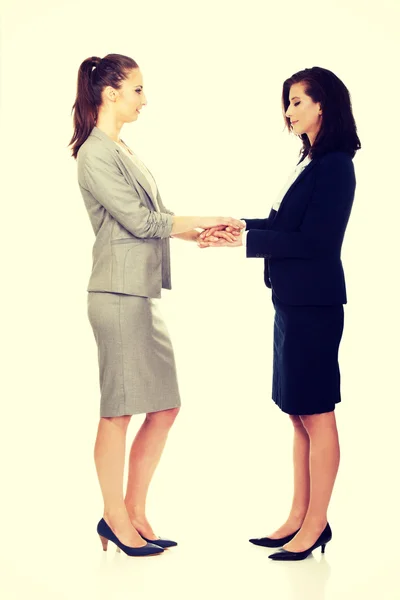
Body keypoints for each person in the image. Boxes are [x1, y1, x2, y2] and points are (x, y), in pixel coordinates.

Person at [69, 53, 244, 557]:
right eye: (138, 89)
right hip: (117, 294)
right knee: (118, 413)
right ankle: (113, 517)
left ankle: (134, 511)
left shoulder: (123, 150)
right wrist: (203, 218)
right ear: (111, 93)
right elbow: (142, 223)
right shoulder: (94, 154)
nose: (145, 99)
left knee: (164, 406)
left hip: (138, 292)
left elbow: (157, 217)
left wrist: (203, 232)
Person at [198, 66, 361, 561]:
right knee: (297, 414)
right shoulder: (308, 161)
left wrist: (244, 242)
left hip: (314, 304)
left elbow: (315, 242)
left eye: (296, 101)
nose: (288, 111)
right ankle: (297, 517)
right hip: (291, 301)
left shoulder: (335, 165)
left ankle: (316, 525)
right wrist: (238, 224)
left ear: (322, 106)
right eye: (287, 103)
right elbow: (281, 223)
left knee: (317, 413)